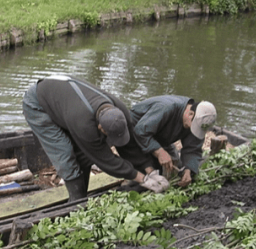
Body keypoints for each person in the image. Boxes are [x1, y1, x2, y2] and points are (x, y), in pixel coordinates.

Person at [22, 74, 168, 200]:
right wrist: (143, 179)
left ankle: (81, 192)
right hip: (37, 103)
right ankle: (77, 198)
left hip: (63, 98)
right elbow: (106, 160)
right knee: (65, 151)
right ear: (100, 127)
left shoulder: (120, 110)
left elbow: (129, 145)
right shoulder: (84, 124)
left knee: (85, 151)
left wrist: (149, 170)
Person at [119, 96, 217, 188]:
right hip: (134, 135)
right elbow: (141, 131)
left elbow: (193, 148)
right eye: (194, 125)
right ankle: (131, 179)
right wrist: (159, 152)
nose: (194, 129)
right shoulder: (166, 108)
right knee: (147, 175)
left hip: (161, 138)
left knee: (175, 168)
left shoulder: (196, 120)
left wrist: (188, 170)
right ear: (190, 114)